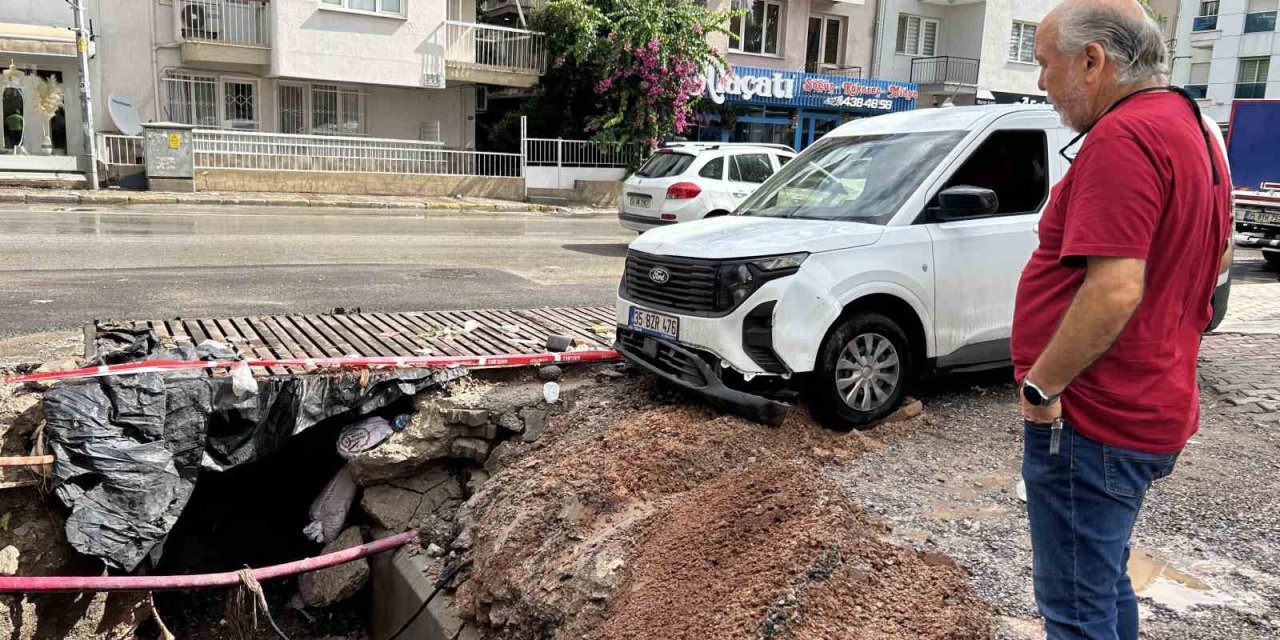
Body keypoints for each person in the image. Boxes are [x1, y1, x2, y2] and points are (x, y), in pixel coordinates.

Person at [1012, 0, 1232, 638]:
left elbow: (1114, 290)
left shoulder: (1124, 136)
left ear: (1091, 61)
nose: (1041, 82)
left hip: (1094, 419)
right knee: (1100, 583)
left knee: (1074, 609)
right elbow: (1215, 253)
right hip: (1148, 403)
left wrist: (1041, 387)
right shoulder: (1190, 122)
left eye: (1045, 63)